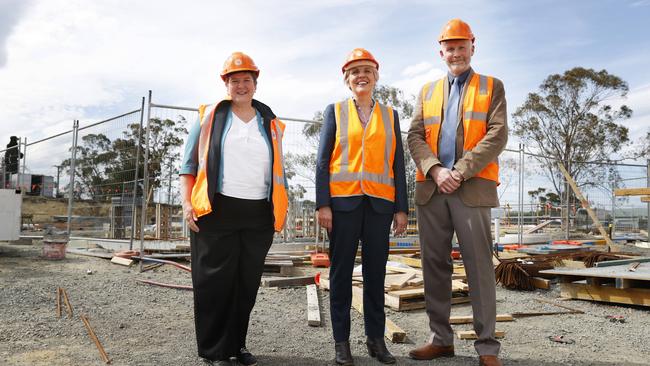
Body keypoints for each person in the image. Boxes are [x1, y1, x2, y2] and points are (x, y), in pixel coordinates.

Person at [407, 19, 508, 366]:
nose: (455, 52)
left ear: (472, 47)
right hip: (432, 190)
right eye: (449, 47)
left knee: (479, 267)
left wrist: (460, 171)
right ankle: (440, 339)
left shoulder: (491, 86)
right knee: (434, 266)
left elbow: (497, 135)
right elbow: (415, 137)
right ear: (441, 52)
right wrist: (436, 170)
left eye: (461, 45)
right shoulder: (427, 92)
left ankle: (487, 348)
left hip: (471, 188)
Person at [179, 51, 288, 366]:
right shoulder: (209, 117)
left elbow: (277, 171)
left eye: (246, 80)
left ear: (255, 83)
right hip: (217, 211)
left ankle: (236, 345)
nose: (241, 85)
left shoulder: (270, 122)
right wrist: (187, 203)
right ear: (225, 84)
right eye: (234, 80)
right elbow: (188, 166)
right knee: (214, 283)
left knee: (246, 282)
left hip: (258, 213)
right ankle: (215, 351)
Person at [316, 48, 408, 366]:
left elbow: (397, 163)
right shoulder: (335, 111)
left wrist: (401, 208)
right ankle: (342, 344)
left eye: (367, 70)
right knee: (340, 274)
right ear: (347, 79)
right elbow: (322, 161)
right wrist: (323, 204)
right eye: (355, 71)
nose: (361, 75)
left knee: (375, 275)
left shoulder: (389, 115)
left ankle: (376, 341)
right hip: (342, 205)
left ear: (376, 76)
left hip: (380, 207)